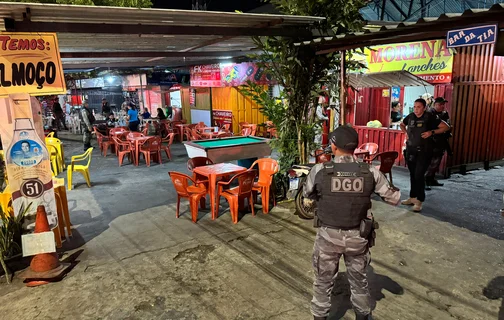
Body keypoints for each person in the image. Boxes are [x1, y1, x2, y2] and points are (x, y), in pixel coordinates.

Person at [303, 125, 401, 320]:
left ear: (333, 145)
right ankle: (363, 316)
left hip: (328, 238)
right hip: (358, 237)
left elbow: (307, 194)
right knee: (359, 282)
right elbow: (394, 198)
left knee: (323, 282)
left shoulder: (320, 170)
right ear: (355, 147)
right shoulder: (369, 171)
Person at [400, 98, 450, 212]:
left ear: (424, 107)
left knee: (419, 175)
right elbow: (402, 124)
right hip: (411, 150)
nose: (416, 109)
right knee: (413, 174)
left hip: (424, 151)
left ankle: (419, 200)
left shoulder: (429, 117)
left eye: (419, 107)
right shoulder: (411, 116)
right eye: (415, 107)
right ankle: (412, 197)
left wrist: (431, 132)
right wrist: (406, 133)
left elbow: (446, 127)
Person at [425, 97, 452, 189]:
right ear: (435, 104)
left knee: (437, 162)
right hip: (431, 142)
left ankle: (431, 179)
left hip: (441, 141)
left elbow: (448, 126)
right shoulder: (430, 114)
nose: (442, 106)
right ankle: (424, 181)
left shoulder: (445, 113)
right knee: (429, 162)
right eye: (440, 104)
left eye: (443, 104)